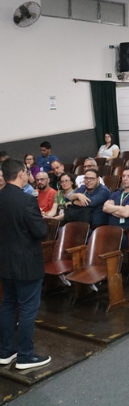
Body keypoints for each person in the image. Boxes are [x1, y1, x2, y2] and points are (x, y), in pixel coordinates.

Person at [0, 158, 51, 370]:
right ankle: (25, 356)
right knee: (29, 309)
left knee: (8, 305)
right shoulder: (27, 201)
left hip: (5, 262)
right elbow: (40, 232)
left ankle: (5, 352)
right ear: (21, 174)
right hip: (27, 264)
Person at [103, 167, 129, 248]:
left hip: (126, 233)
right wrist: (122, 208)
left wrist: (112, 208)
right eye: (123, 176)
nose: (125, 178)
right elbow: (105, 208)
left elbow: (125, 213)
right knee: (92, 239)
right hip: (110, 230)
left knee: (105, 242)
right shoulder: (116, 193)